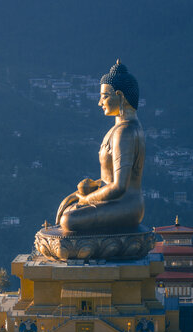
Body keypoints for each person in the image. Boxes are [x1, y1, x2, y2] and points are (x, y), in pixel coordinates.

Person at [55, 59, 145, 233]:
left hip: (125, 206)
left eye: (105, 96)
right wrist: (81, 193)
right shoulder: (127, 127)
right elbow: (110, 181)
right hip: (123, 203)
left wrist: (84, 200)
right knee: (69, 211)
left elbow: (119, 187)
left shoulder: (124, 131)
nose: (100, 102)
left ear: (120, 95)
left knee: (68, 219)